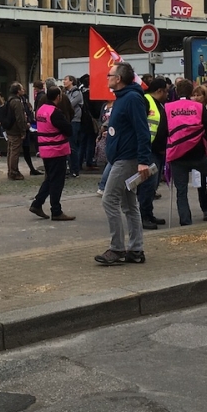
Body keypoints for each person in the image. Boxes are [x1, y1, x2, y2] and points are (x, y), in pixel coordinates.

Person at [95, 61, 152, 266]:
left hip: (127, 159)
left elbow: (142, 131)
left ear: (118, 79)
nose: (107, 78)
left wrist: (143, 161)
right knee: (129, 205)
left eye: (110, 75)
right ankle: (136, 250)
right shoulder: (121, 98)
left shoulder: (132, 99)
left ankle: (117, 248)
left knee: (109, 199)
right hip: (120, 157)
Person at [165, 77, 207, 227]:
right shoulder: (198, 107)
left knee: (181, 189)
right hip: (196, 152)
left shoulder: (168, 107)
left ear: (176, 92)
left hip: (176, 153)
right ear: (191, 92)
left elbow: (164, 131)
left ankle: (185, 220)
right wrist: (205, 146)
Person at [30, 86, 75, 221]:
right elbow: (68, 130)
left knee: (50, 178)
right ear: (58, 97)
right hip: (57, 149)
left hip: (45, 149)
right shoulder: (55, 112)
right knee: (57, 181)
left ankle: (37, 203)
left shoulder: (40, 110)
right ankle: (56, 211)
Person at [139, 77, 169, 230]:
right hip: (148, 150)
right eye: (166, 91)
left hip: (157, 151)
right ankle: (144, 216)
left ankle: (149, 214)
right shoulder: (146, 101)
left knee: (153, 185)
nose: (167, 95)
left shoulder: (158, 104)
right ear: (159, 91)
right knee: (148, 185)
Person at [3, 82, 30, 181]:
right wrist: (23, 130)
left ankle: (11, 170)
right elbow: (19, 117)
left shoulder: (9, 99)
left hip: (10, 129)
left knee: (10, 151)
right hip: (15, 130)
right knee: (14, 152)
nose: (23, 90)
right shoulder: (17, 102)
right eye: (22, 88)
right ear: (18, 91)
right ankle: (13, 172)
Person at [62, 75, 85, 178]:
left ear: (71, 81)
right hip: (67, 120)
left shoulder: (77, 93)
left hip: (74, 120)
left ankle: (75, 169)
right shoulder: (66, 92)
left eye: (66, 80)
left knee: (72, 145)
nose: (64, 81)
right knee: (67, 145)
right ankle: (69, 168)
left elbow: (69, 105)